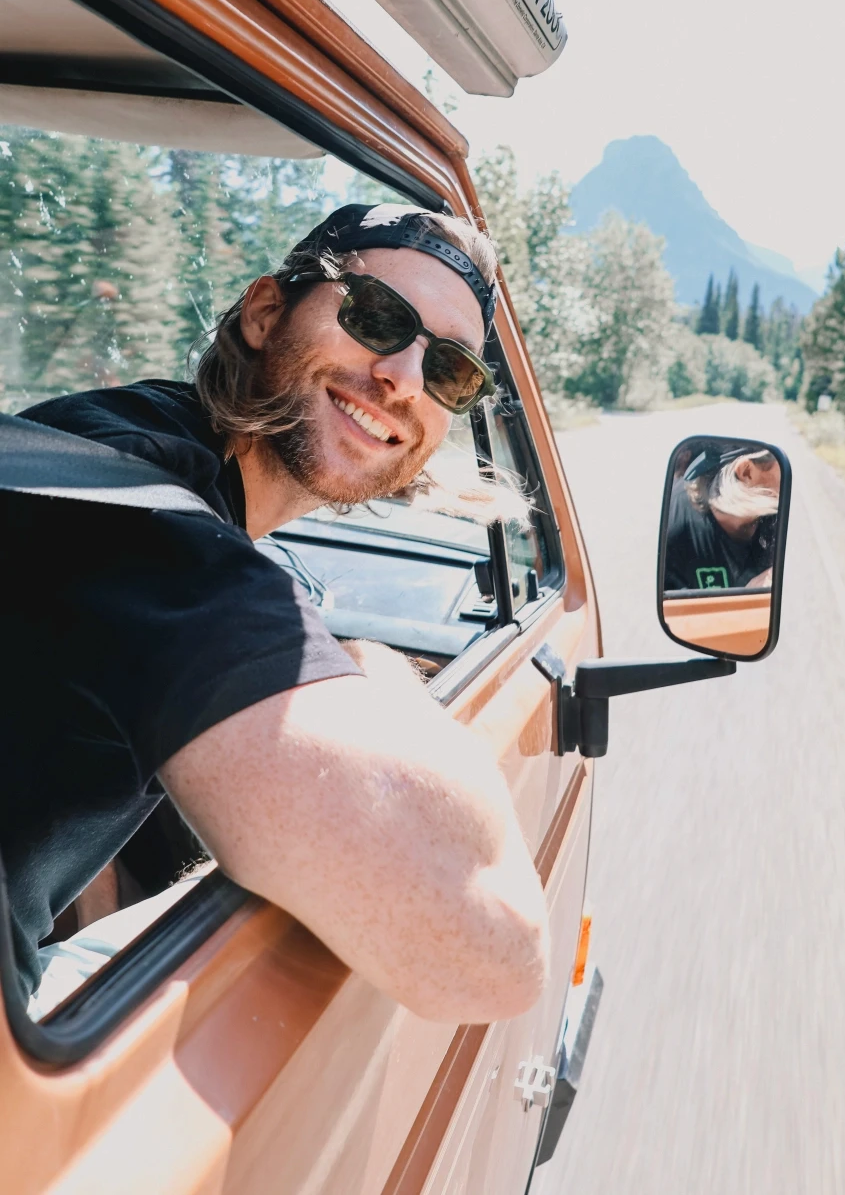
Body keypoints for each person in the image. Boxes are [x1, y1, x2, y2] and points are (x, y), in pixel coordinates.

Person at [2, 203, 549, 1024]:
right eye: (376, 317)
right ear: (265, 313)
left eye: (451, 372)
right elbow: (493, 953)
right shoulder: (155, 531)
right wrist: (372, 671)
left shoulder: (116, 436)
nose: (402, 375)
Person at [663, 444, 780, 593]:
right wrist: (747, 597)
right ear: (746, 472)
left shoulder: (777, 514)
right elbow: (675, 610)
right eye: (781, 465)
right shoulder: (675, 526)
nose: (789, 477)